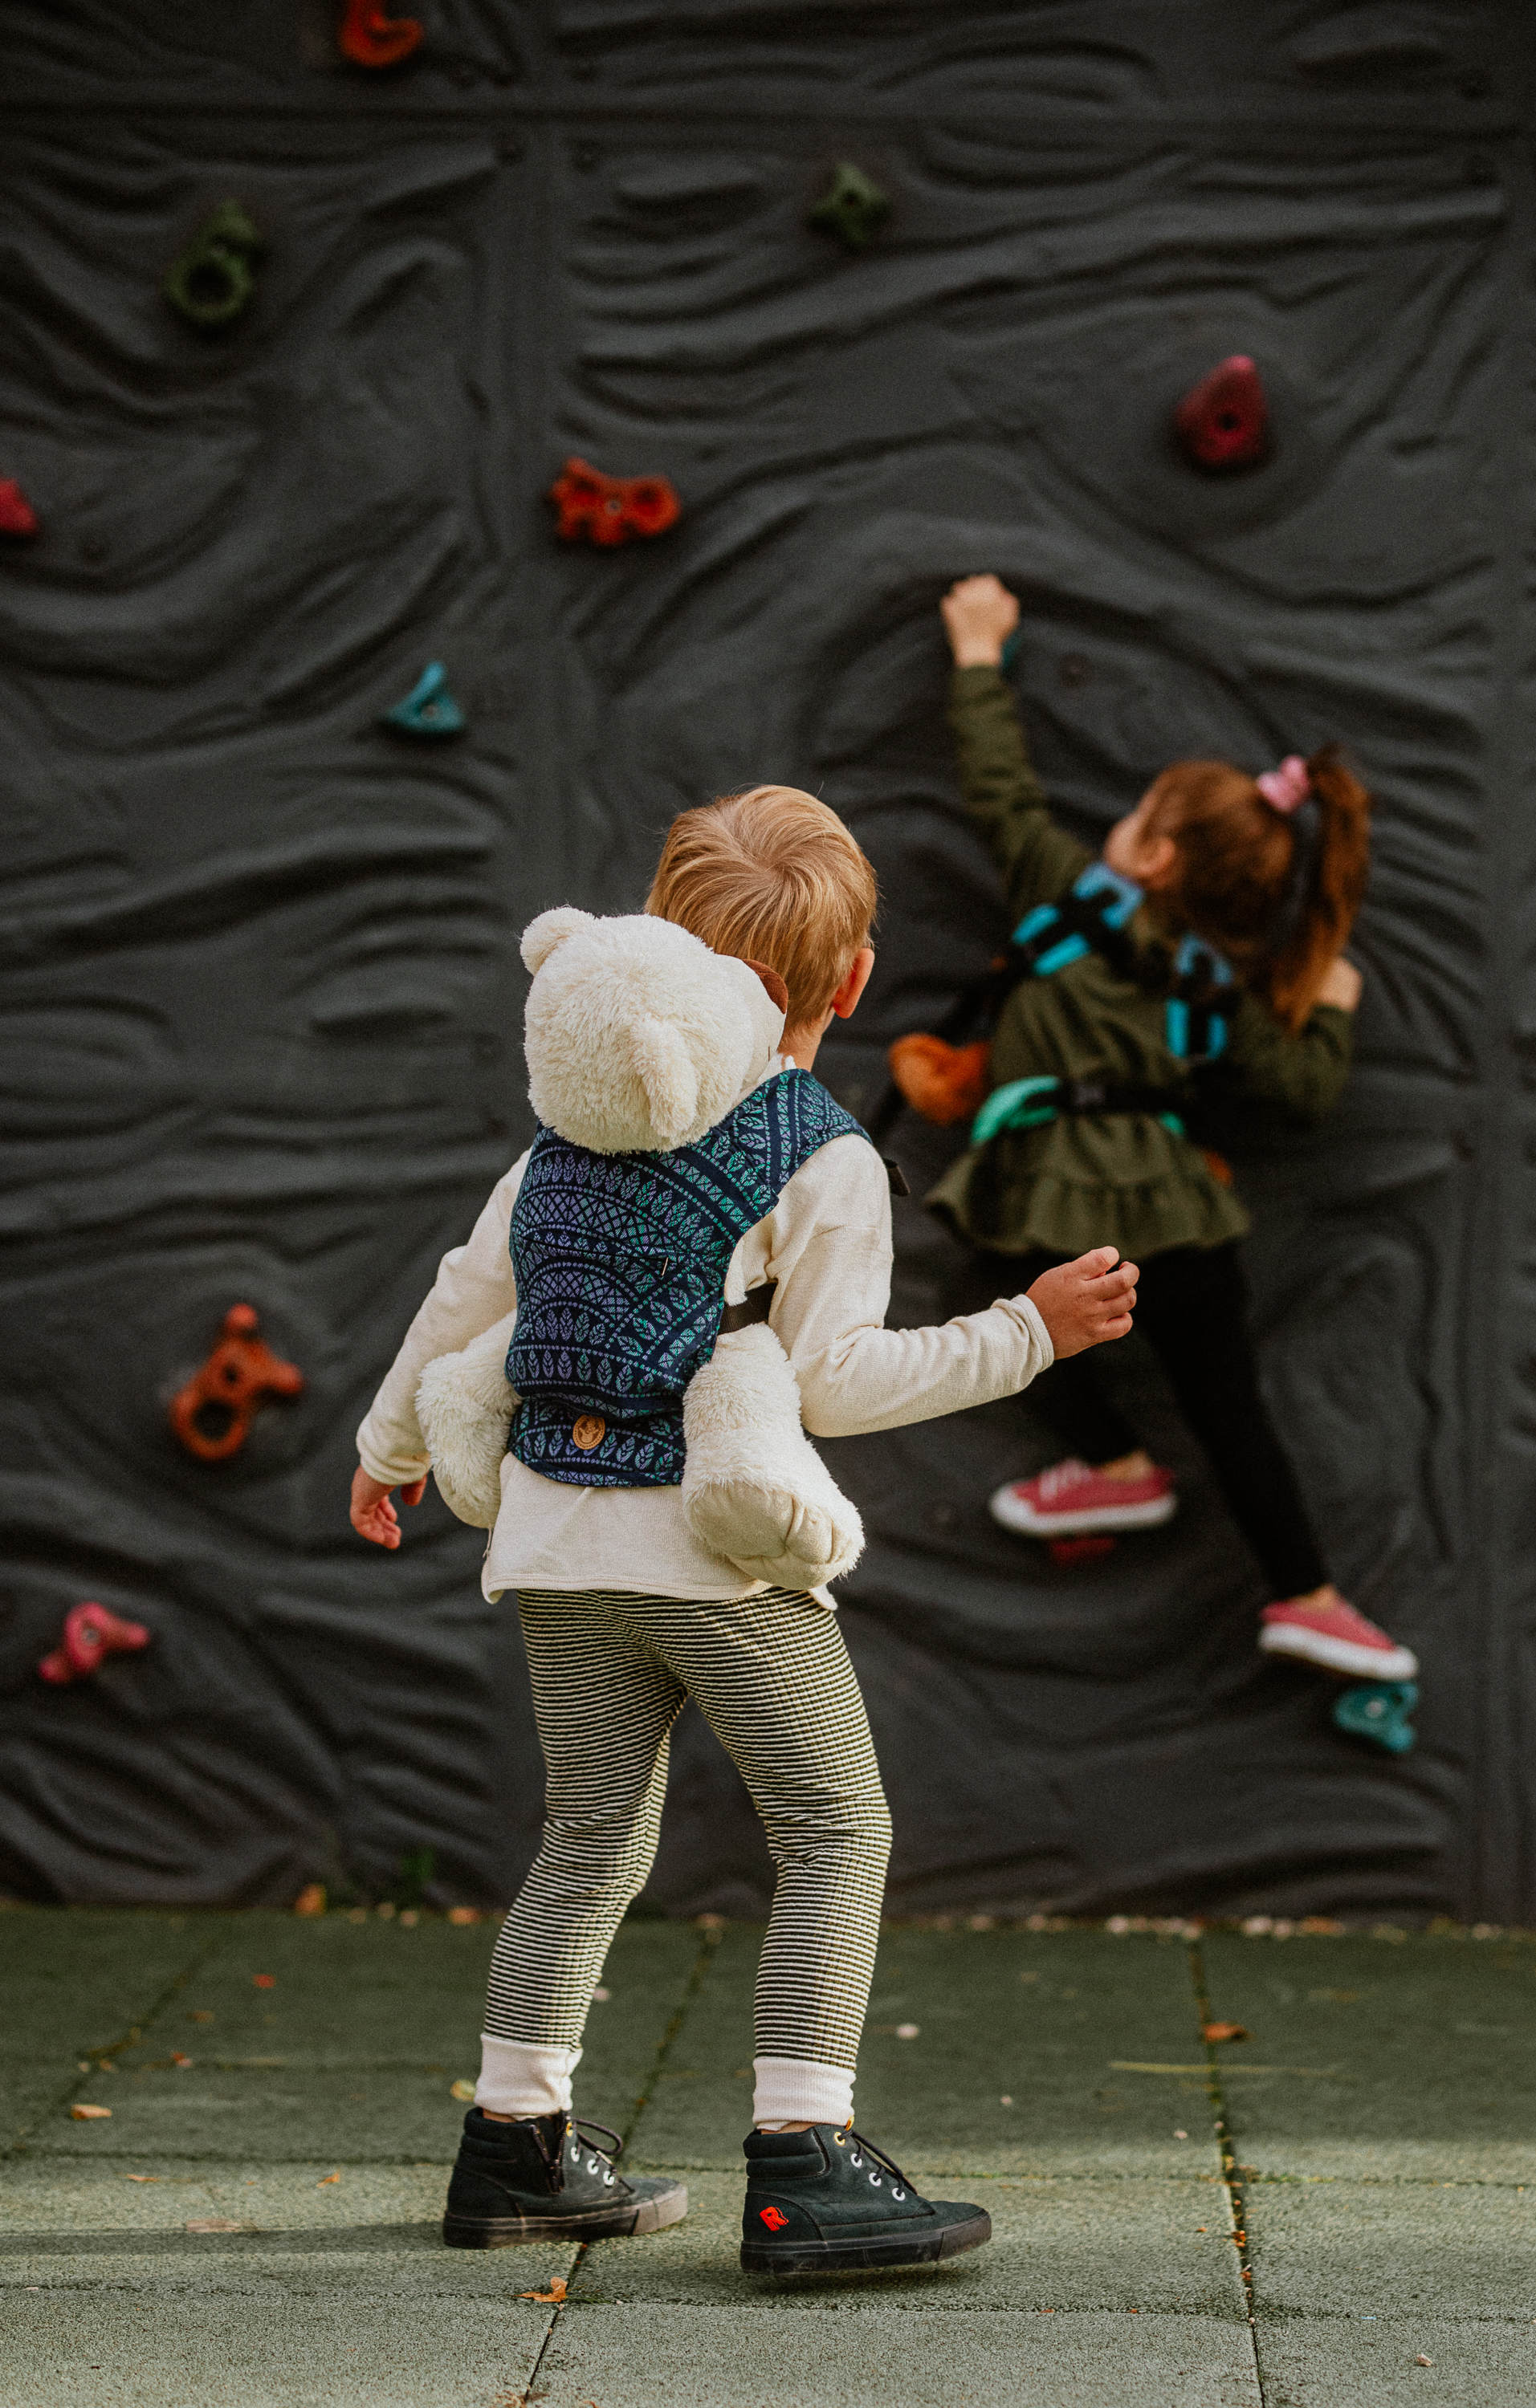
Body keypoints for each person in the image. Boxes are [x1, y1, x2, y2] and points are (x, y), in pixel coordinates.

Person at [348, 782, 1139, 2275]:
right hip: (713, 1552)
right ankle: (801, 2161)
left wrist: (386, 1452)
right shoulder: (820, 1153)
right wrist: (1027, 1332)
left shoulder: (565, 1126)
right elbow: (836, 1385)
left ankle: (513, 2142)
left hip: (554, 1542)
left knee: (589, 1836)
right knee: (837, 1828)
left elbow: (465, 1296)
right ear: (852, 981)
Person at [909, 572, 1416, 1689]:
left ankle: (1116, 1464)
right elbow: (1300, 1090)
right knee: (1230, 1408)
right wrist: (1334, 1008)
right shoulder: (1211, 989)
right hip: (1179, 1206)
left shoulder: (1068, 894)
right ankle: (1311, 1598)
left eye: (1134, 819)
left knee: (1002, 1318)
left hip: (1045, 1191)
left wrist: (979, 655)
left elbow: (1001, 789)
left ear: (1155, 857)